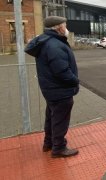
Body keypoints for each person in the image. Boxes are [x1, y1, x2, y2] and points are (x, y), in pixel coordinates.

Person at [24, 16, 79, 158]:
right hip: (60, 90)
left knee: (52, 117)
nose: (66, 28)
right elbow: (61, 71)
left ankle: (48, 143)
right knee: (60, 119)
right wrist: (75, 81)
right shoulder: (54, 45)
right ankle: (59, 148)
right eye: (65, 25)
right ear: (59, 27)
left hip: (51, 90)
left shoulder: (46, 41)